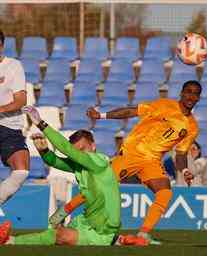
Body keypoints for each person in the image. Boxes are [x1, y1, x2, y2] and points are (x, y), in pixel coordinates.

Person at [50, 80, 201, 244]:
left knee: (165, 192)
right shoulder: (165, 105)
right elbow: (132, 111)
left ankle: (143, 233)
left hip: (152, 161)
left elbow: (180, 153)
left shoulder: (192, 127)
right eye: (188, 91)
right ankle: (63, 212)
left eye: (195, 93)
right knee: (99, 189)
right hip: (132, 153)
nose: (191, 96)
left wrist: (184, 171)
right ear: (181, 93)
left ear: (199, 97)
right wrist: (101, 115)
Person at [0, 105, 123, 246]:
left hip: (102, 231)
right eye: (77, 151)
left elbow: (66, 149)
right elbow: (53, 161)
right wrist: (44, 150)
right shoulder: (81, 166)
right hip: (86, 221)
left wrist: (41, 123)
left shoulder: (99, 161)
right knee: (53, 233)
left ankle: (115, 241)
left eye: (82, 149)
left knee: (60, 236)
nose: (79, 155)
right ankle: (10, 241)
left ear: (93, 146)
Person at [0, 29, 29, 205]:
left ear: (1, 45)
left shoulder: (13, 66)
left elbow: (20, 101)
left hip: (9, 126)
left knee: (21, 171)